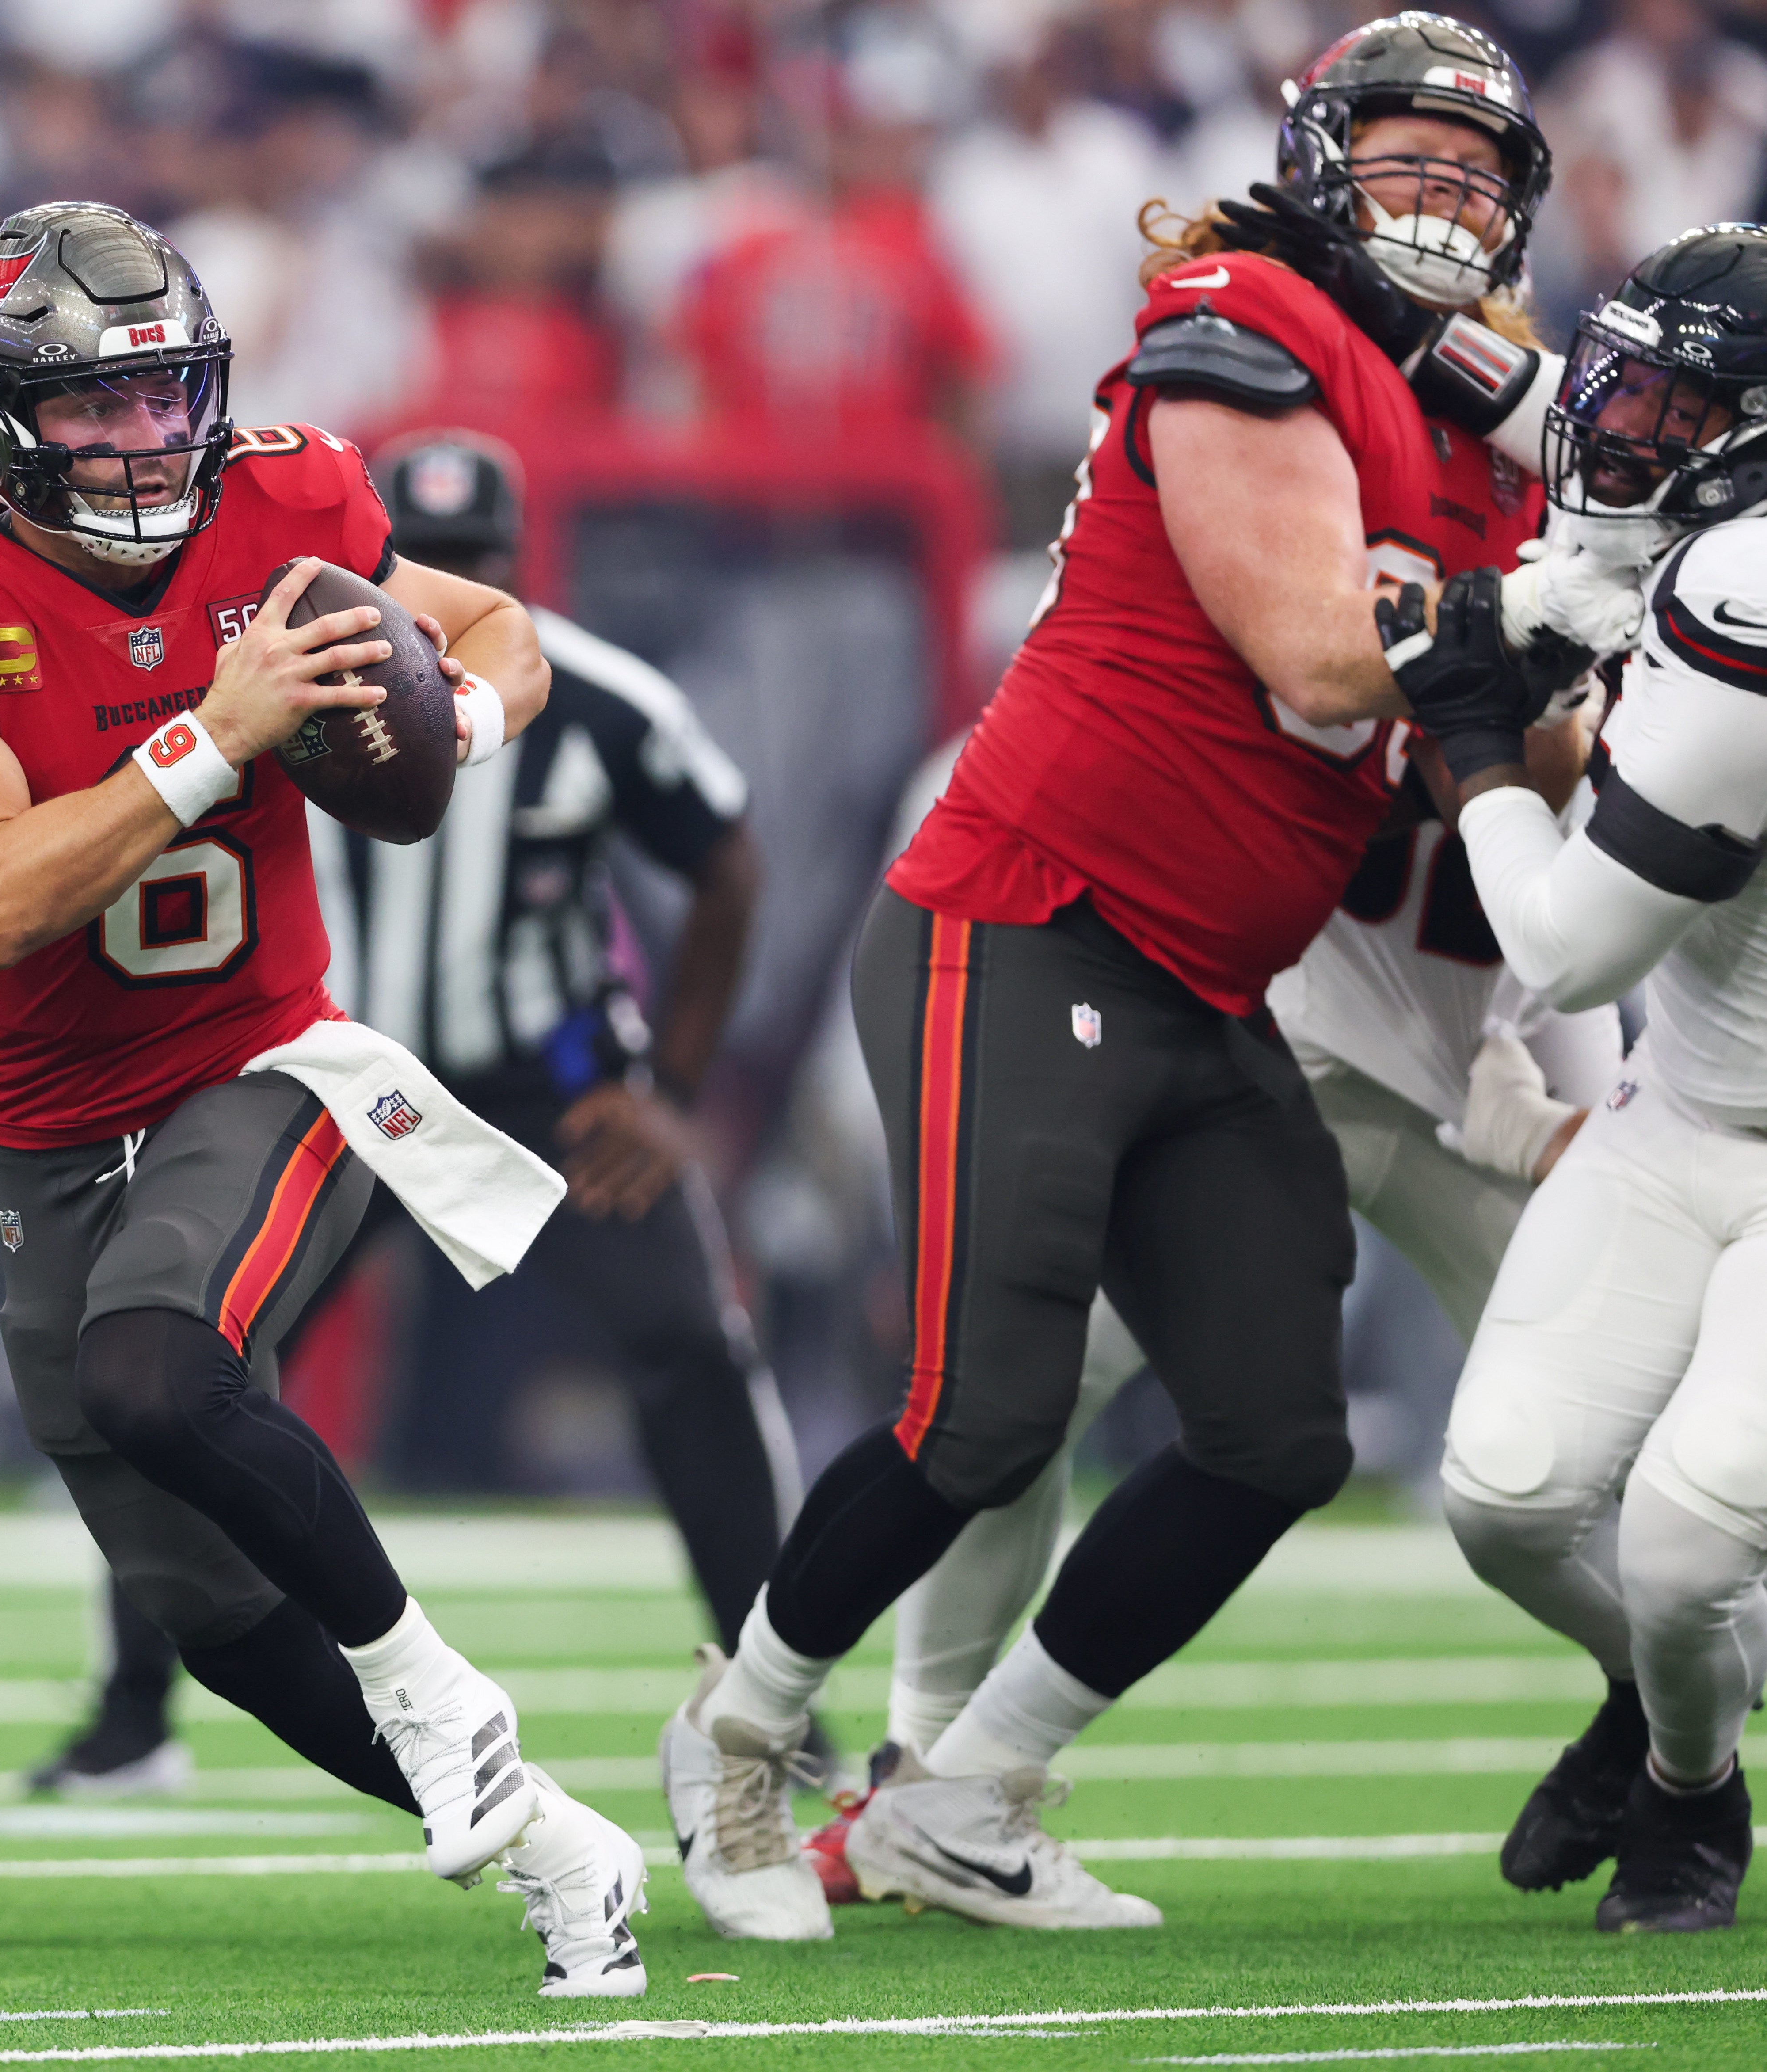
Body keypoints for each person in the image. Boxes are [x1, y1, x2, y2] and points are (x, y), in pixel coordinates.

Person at [658, 14, 1635, 1942]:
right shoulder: (1244, 314)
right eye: (1401, 159)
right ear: (1315, 158)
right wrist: (1530, 609)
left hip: (1210, 980)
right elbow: (1314, 656)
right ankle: (742, 1731)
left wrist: (1606, 666)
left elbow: (1490, 753)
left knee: (1274, 1429)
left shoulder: (1475, 445)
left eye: (1469, 173)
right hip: (1026, 914)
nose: (1434, 198)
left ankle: (960, 1791)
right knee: (983, 1405)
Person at [0, 201, 640, 1997]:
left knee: (152, 1364)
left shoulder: (288, 508)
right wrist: (213, 728)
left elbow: (496, 627)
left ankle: (439, 1690)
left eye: (161, 395)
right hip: (46, 1121)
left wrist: (443, 731)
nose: (137, 440)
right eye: (88, 408)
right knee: (212, 1610)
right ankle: (553, 1840)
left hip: (263, 1065)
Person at [23, 429, 804, 1799]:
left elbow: (727, 862)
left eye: (479, 562)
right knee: (175, 1371)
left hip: (545, 1093)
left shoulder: (597, 698)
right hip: (327, 1071)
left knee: (692, 1345)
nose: (437, 588)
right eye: (427, 557)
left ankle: (773, 1705)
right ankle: (134, 1707)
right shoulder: (260, 677)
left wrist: (668, 1089)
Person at [1430, 223, 1767, 1934]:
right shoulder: (1702, 501)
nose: (1614, 426)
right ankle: (1665, 1700)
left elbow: (1564, 952)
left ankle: (1691, 1799)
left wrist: (1474, 738)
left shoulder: (1745, 590)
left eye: (1667, 402)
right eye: (1625, 379)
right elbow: (1527, 389)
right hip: (1686, 1103)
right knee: (1501, 1489)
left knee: (1689, 1534)